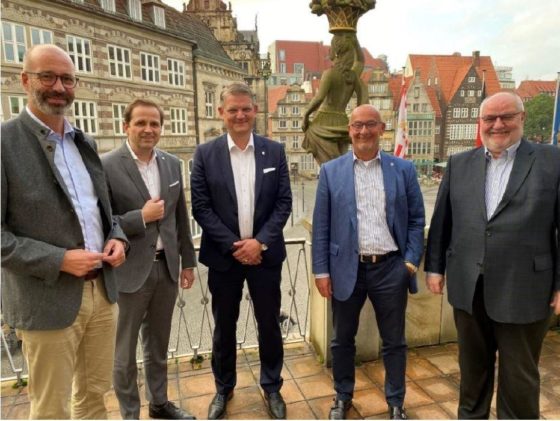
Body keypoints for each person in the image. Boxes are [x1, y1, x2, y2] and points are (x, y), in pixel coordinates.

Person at [1, 44, 128, 419]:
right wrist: (58, 259)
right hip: (47, 301)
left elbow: (103, 212)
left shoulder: (83, 142)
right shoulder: (5, 144)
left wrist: (117, 237)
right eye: (48, 76)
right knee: (51, 409)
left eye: (67, 79)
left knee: (94, 397)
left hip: (102, 292)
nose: (58, 87)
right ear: (25, 80)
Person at [425, 91, 560, 419]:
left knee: (519, 379)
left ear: (522, 118)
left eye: (506, 116)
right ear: (480, 122)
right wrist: (434, 268)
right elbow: (443, 221)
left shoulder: (552, 161)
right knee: (472, 374)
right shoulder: (460, 164)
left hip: (525, 289)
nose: (498, 125)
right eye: (490, 118)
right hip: (470, 288)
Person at [312, 104, 425, 420]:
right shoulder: (331, 171)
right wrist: (321, 270)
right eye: (357, 125)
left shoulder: (403, 169)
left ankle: (396, 402)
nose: (364, 131)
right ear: (349, 130)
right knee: (341, 340)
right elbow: (321, 226)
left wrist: (409, 264)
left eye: (370, 124)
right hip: (346, 268)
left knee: (394, 342)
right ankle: (342, 397)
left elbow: (417, 219)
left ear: (382, 129)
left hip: (391, 269)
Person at [190, 83, 292, 420]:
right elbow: (201, 207)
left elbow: (283, 203)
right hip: (225, 258)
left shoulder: (274, 152)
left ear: (255, 111)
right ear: (222, 113)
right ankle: (223, 388)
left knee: (269, 325)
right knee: (224, 327)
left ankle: (272, 386)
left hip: (265, 256)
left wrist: (258, 242)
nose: (240, 115)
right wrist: (236, 246)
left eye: (246, 108)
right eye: (233, 109)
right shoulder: (205, 154)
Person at [101, 99, 197, 420]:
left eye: (154, 123)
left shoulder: (170, 163)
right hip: (128, 272)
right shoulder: (107, 165)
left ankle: (159, 403)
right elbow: (102, 221)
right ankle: (130, 414)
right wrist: (140, 217)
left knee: (158, 344)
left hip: (166, 269)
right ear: (125, 126)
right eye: (140, 123)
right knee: (124, 353)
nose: (148, 129)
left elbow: (180, 216)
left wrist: (187, 261)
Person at [302, 32, 368, 164]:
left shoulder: (329, 74)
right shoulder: (353, 76)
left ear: (336, 53)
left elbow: (319, 98)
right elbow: (360, 61)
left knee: (330, 165)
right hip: (343, 122)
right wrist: (355, 41)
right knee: (341, 161)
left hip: (324, 123)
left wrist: (306, 115)